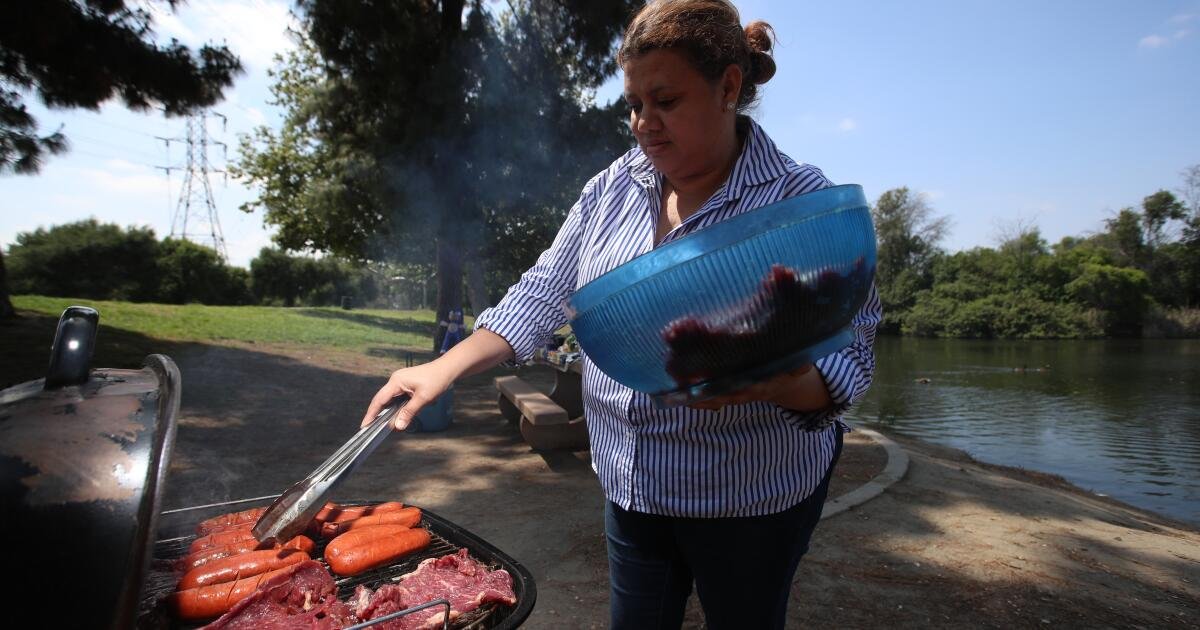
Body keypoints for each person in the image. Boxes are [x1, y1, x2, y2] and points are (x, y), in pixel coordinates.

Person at [361, 1, 881, 627]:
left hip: (752, 494)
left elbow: (852, 352)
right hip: (633, 483)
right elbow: (544, 291)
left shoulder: (802, 203)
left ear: (728, 87)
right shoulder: (613, 188)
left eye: (666, 101)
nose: (644, 124)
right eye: (633, 104)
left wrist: (777, 382)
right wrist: (444, 367)